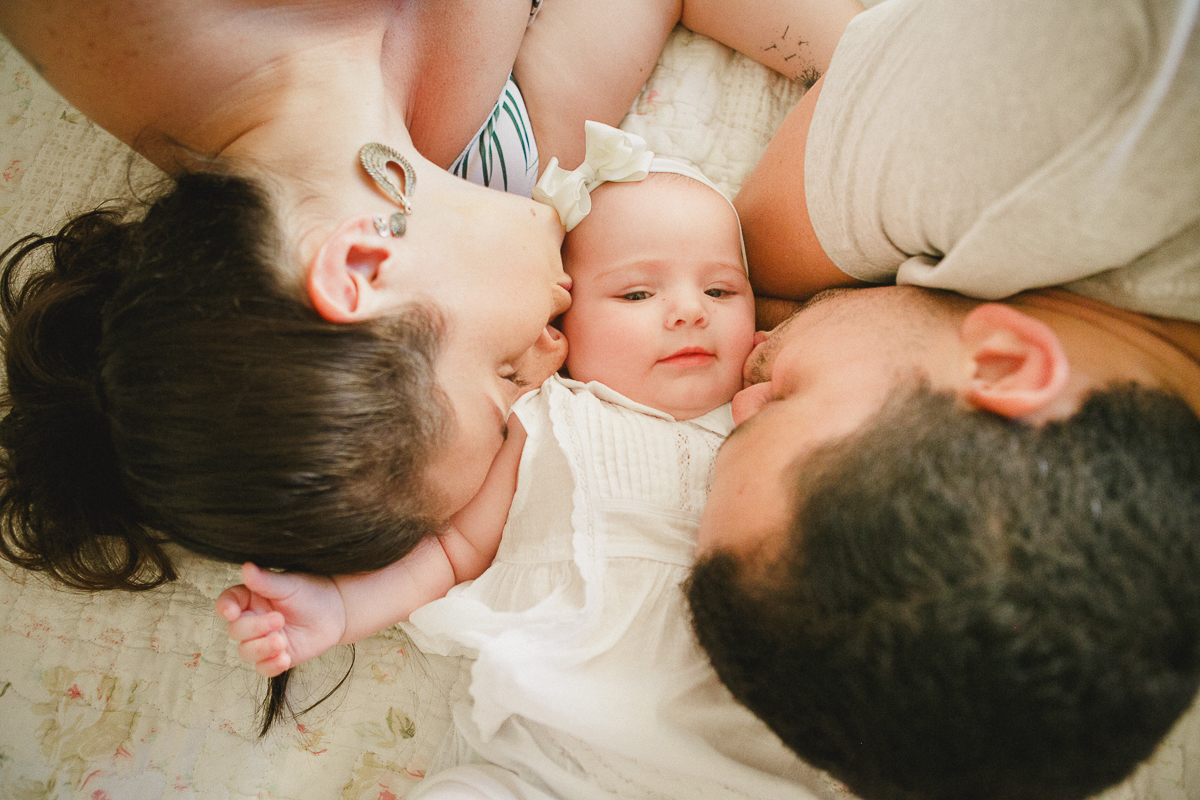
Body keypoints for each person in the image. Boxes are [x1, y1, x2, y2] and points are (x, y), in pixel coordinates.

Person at [0, 0, 863, 597]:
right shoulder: (486, 178)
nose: (553, 356)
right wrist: (880, 62)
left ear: (361, 271)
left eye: (503, 378)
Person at [218, 124, 848, 799]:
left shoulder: (771, 412)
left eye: (721, 291)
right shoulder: (540, 420)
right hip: (552, 762)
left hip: (751, 762)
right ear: (560, 323)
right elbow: (456, 551)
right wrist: (342, 609)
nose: (689, 312)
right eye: (638, 294)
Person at [685, 1, 1200, 799]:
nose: (734, 394)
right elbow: (747, 248)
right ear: (1002, 363)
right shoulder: (1108, 97)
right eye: (781, 403)